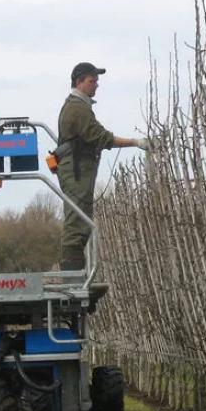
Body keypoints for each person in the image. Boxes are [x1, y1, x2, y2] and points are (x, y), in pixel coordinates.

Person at [56, 62, 149, 270]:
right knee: (77, 221)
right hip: (76, 170)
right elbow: (101, 137)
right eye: (92, 81)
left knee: (80, 219)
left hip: (76, 169)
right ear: (79, 82)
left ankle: (75, 274)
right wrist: (136, 142)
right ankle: (73, 276)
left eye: (96, 81)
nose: (96, 85)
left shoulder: (76, 105)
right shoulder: (77, 108)